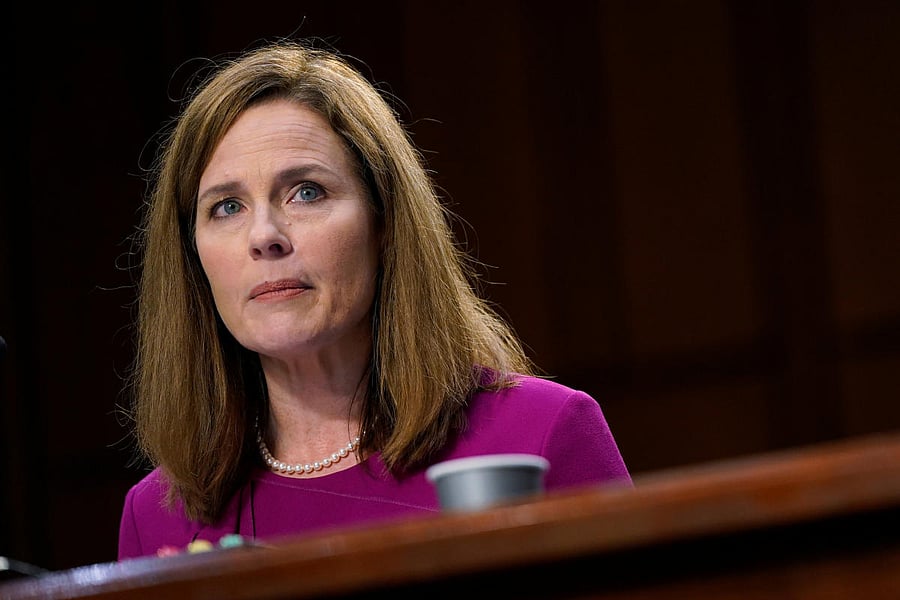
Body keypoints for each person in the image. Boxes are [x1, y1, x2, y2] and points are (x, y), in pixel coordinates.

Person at [117, 38, 631, 561]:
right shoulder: (157, 516)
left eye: (306, 192)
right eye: (226, 207)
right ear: (193, 255)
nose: (264, 235)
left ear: (383, 221)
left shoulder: (542, 433)